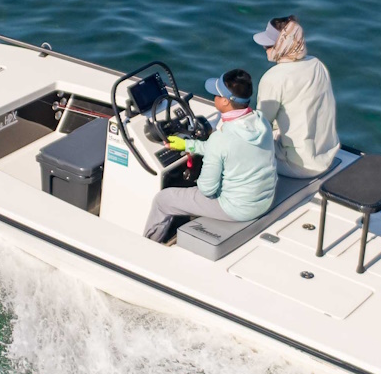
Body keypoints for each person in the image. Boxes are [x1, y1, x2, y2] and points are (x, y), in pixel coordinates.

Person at [143, 69, 278, 243]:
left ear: (225, 101)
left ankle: (148, 245)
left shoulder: (220, 139)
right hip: (265, 200)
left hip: (237, 209)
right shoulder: (261, 122)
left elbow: (207, 189)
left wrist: (199, 174)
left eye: (216, 94)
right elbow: (230, 150)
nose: (213, 97)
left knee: (163, 200)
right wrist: (187, 145)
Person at [253, 15, 340, 178]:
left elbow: (261, 126)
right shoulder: (317, 64)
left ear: (283, 44)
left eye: (269, 44)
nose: (265, 47)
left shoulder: (273, 78)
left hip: (298, 166)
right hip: (327, 157)